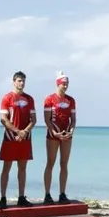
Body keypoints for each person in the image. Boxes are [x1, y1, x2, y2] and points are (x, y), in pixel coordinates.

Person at [0, 71, 37, 207]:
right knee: (6, 167)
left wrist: (25, 131)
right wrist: (17, 131)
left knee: (22, 168)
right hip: (10, 138)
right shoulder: (7, 98)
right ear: (14, 81)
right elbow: (3, 119)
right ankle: (3, 198)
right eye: (19, 81)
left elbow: (34, 119)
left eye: (23, 81)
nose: (21, 83)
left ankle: (21, 197)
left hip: (25, 138)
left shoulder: (29, 99)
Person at [42, 71, 77, 204]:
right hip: (53, 136)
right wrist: (54, 132)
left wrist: (71, 131)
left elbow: (73, 119)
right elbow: (47, 119)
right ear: (58, 84)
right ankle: (47, 194)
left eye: (67, 84)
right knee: (50, 163)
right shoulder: (49, 99)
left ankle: (62, 193)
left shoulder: (71, 100)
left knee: (64, 164)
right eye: (63, 83)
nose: (65, 86)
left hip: (67, 136)